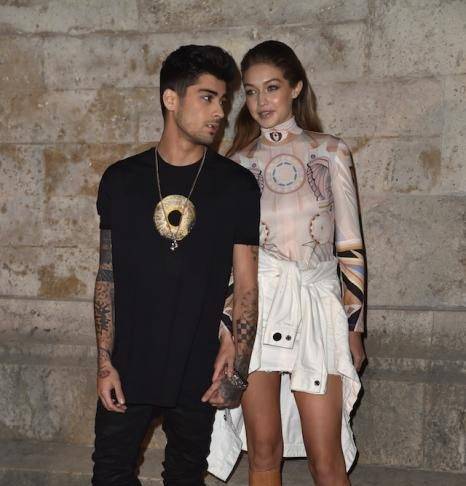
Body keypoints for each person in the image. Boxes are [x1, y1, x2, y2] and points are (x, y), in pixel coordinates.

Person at [91, 44, 260, 486]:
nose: (220, 111)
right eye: (207, 97)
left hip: (198, 367)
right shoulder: (120, 180)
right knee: (109, 475)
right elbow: (107, 276)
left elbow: (246, 286)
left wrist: (237, 369)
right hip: (129, 363)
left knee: (185, 477)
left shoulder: (237, 186)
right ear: (171, 99)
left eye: (223, 100)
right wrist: (104, 362)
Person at [208, 40, 367, 486]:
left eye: (272, 88)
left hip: (317, 307)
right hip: (257, 309)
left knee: (326, 458)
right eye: (251, 91)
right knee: (263, 452)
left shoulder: (331, 152)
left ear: (296, 87)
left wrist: (354, 329)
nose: (261, 101)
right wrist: (227, 334)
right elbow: (229, 263)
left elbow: (350, 247)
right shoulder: (236, 164)